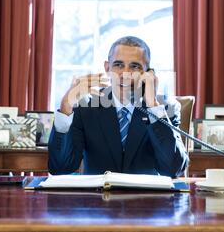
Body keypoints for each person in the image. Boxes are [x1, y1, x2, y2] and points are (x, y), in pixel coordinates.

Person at [48, 36, 189, 177]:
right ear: (107, 68)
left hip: (147, 197)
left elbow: (173, 169)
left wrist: (152, 106)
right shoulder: (85, 106)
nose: (125, 74)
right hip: (96, 197)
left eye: (134, 66)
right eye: (119, 65)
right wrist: (65, 106)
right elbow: (61, 168)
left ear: (148, 73)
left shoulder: (166, 108)